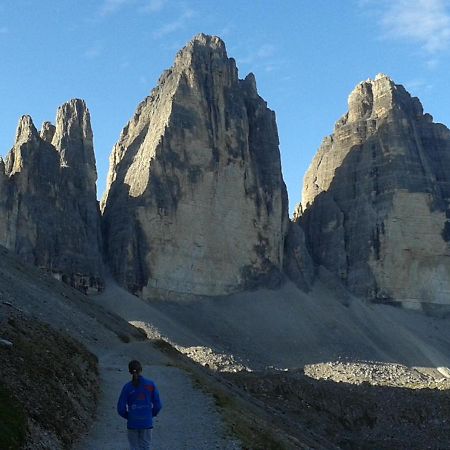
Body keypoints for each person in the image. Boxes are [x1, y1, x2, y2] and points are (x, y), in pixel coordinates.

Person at [117, 360, 162, 450]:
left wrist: (128, 416)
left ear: (130, 372)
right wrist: (151, 414)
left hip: (132, 422)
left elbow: (120, 408)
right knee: (145, 446)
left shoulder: (127, 387)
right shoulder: (150, 385)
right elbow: (158, 405)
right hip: (146, 422)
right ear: (141, 369)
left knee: (134, 447)